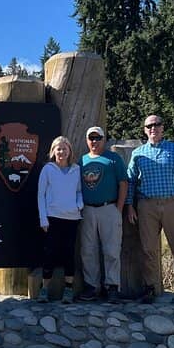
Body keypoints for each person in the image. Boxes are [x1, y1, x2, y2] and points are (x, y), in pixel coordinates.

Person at [125, 115, 174, 307]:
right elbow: (131, 181)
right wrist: (129, 205)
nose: (153, 128)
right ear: (144, 130)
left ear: (162, 128)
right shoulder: (138, 153)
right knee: (148, 250)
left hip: (172, 205)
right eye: (149, 126)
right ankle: (150, 288)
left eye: (157, 125)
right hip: (147, 206)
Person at [78, 126, 128, 302]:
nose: (94, 141)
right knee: (88, 250)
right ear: (87, 140)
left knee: (111, 249)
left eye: (98, 138)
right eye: (91, 138)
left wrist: (119, 208)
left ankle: (112, 286)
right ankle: (92, 286)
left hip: (109, 208)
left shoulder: (113, 158)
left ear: (103, 139)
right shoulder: (81, 161)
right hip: (87, 209)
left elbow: (123, 183)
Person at [37, 135, 83, 304]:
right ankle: (44, 289)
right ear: (53, 151)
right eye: (59, 149)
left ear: (69, 151)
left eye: (65, 148)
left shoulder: (76, 169)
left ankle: (69, 289)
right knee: (49, 252)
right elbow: (40, 195)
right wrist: (43, 218)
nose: (62, 152)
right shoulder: (48, 169)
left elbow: (79, 191)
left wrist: (78, 204)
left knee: (69, 253)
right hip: (52, 218)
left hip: (72, 218)